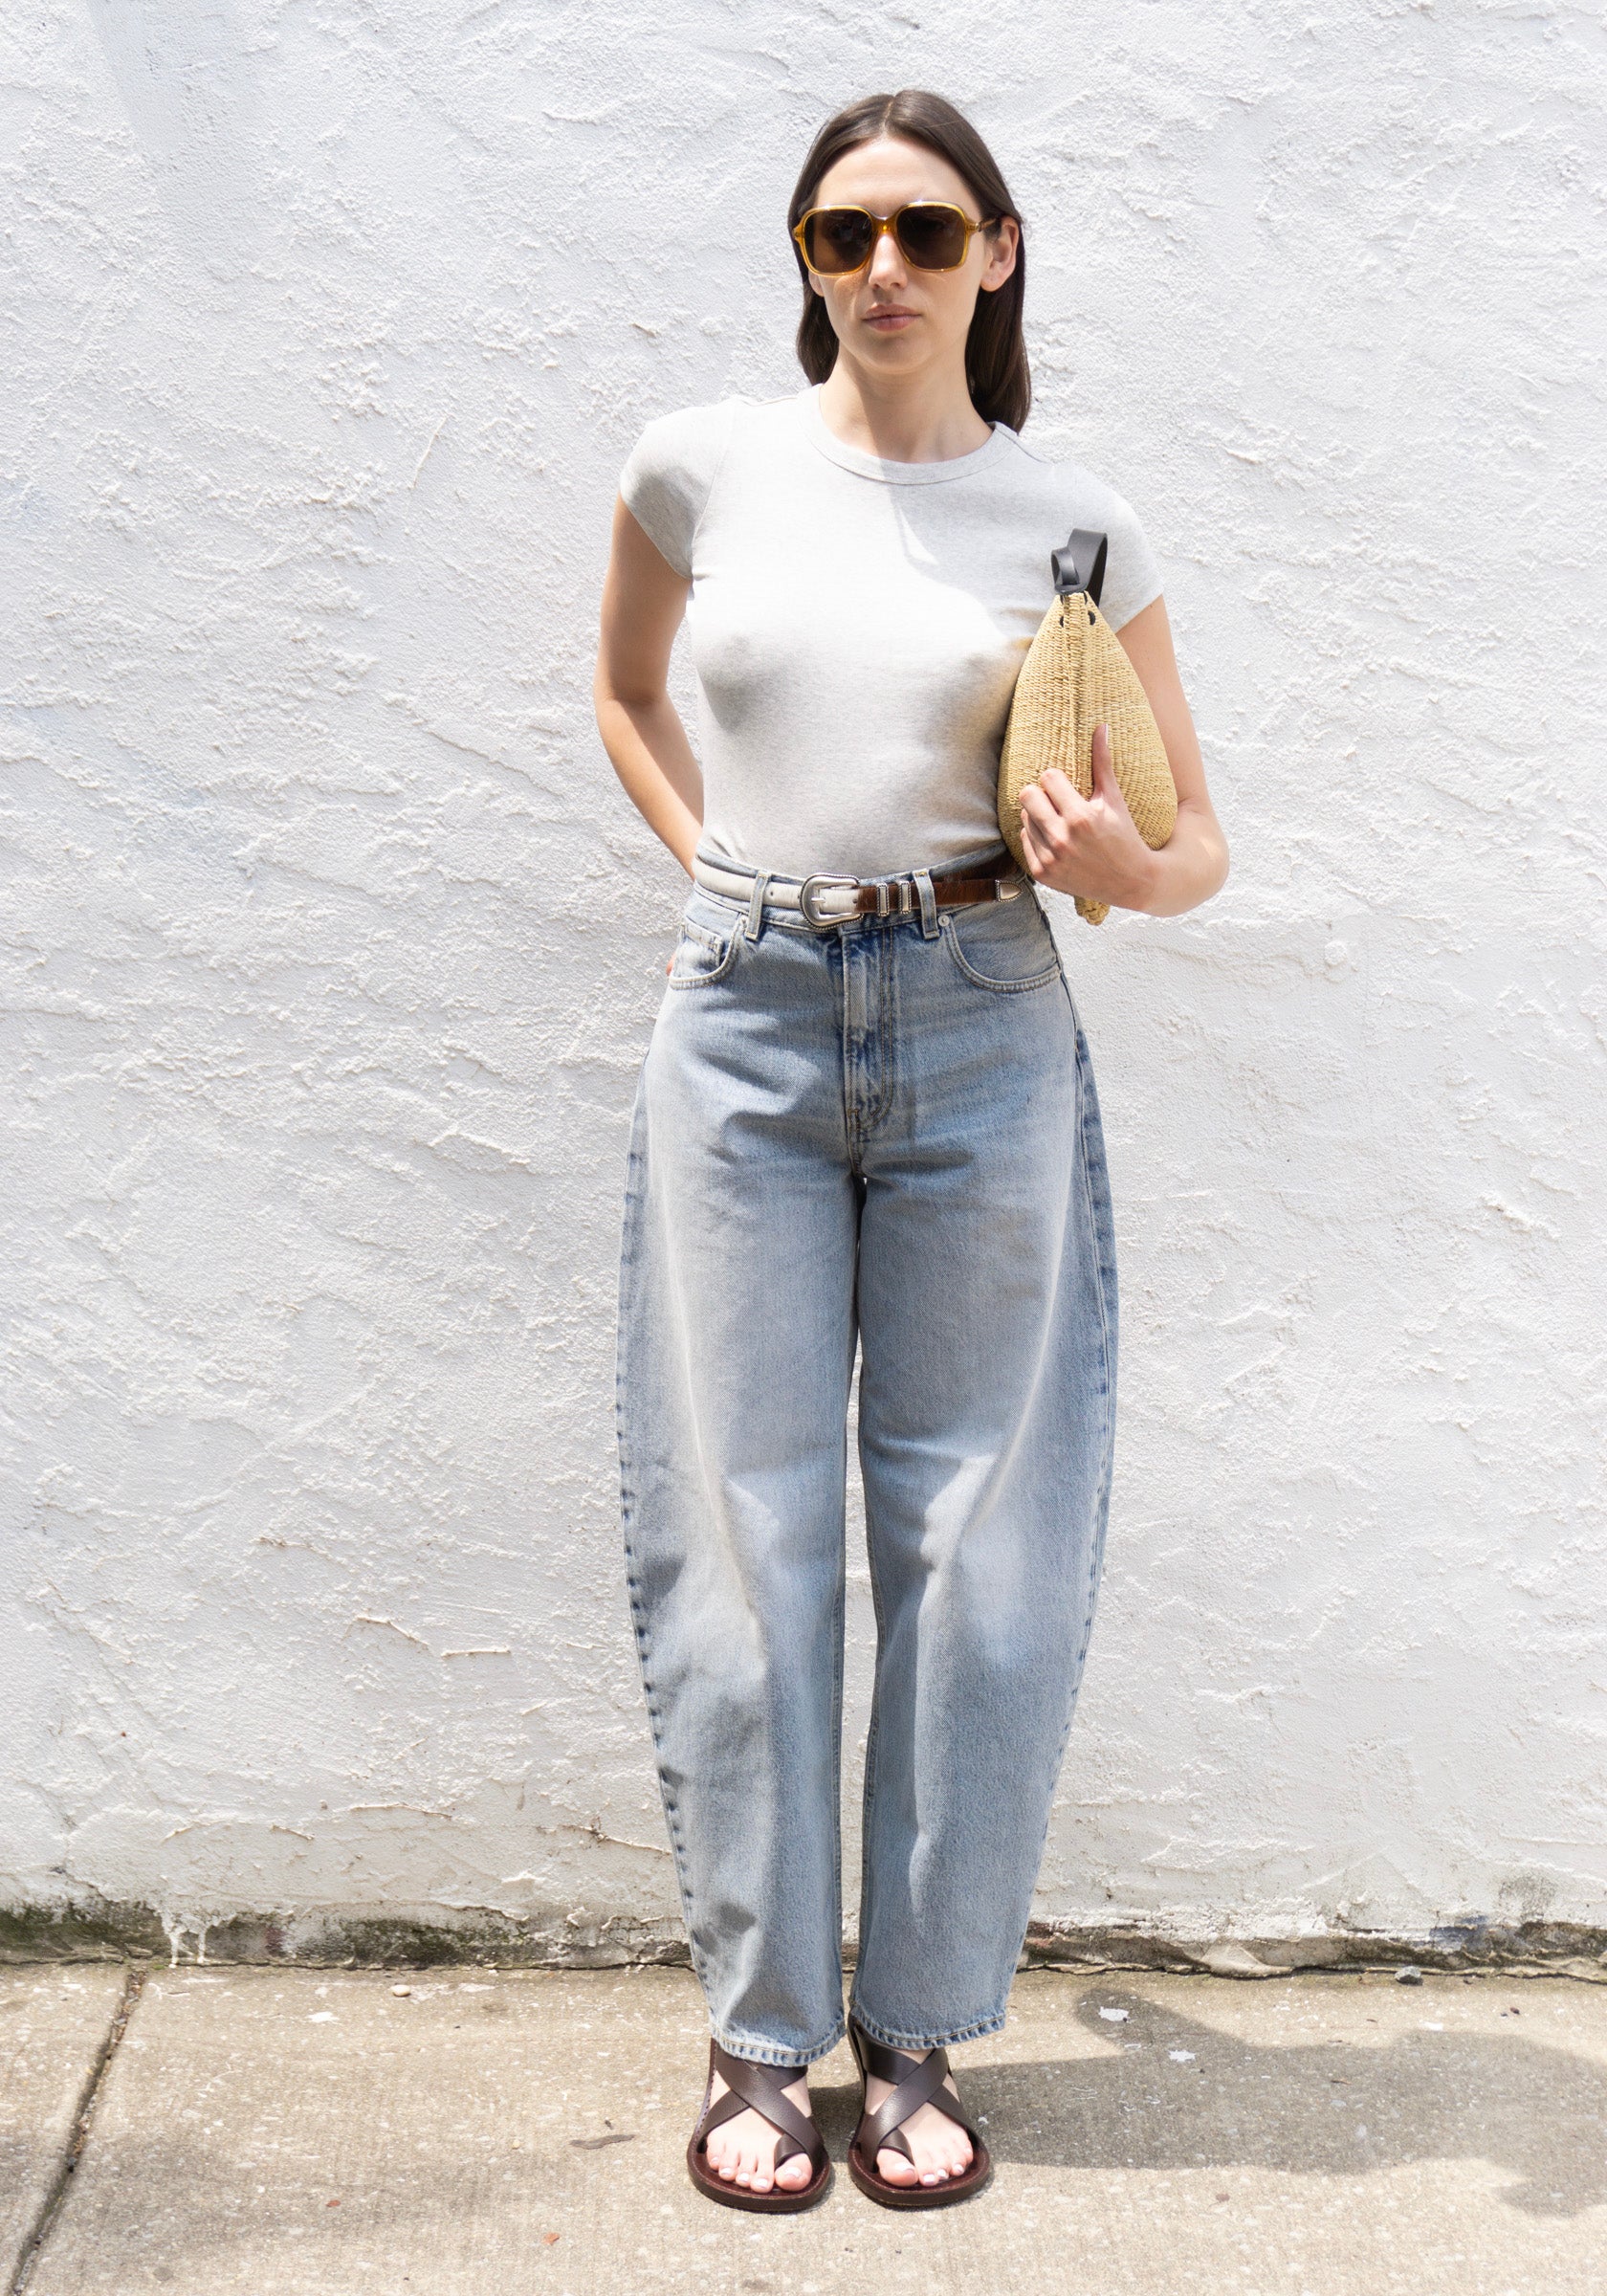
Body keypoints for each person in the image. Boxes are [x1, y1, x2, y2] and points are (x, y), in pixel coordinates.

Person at [592, 87, 1228, 2215]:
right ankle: (762, 2037)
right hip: (745, 1027)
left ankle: (923, 2024)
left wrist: (1122, 864)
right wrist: (724, 883)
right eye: (844, 232)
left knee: (979, 1541)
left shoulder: (1074, 521)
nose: (884, 267)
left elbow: (1195, 847)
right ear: (805, 258)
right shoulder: (699, 469)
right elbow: (625, 697)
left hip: (982, 1019)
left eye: (927, 230)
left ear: (997, 254)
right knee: (745, 1529)